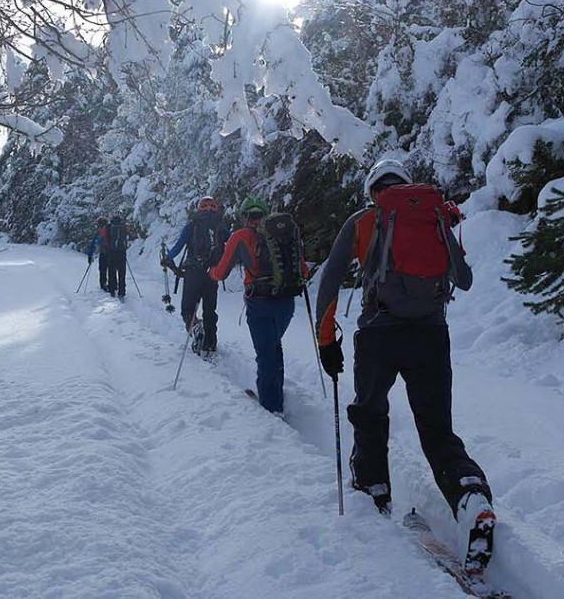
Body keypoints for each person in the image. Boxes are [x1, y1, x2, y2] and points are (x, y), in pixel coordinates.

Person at [313, 158, 495, 573]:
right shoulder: (433, 216)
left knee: (370, 414)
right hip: (431, 335)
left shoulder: (363, 221)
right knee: (436, 429)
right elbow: (463, 279)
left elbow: (329, 281)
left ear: (373, 189)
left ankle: (374, 489)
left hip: (377, 335)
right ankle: (470, 495)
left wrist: (327, 342)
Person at [208, 196, 308, 416]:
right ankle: (275, 395)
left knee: (266, 354)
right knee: (274, 347)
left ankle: (272, 408)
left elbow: (222, 272)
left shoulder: (240, 236)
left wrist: (211, 272)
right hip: (286, 303)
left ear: (244, 216)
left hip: (259, 303)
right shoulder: (286, 235)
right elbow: (304, 271)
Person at [161, 196, 230, 356]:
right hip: (213, 273)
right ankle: (210, 344)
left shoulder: (192, 226)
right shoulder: (220, 227)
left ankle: (196, 327)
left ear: (199, 209)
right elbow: (233, 243)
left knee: (187, 308)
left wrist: (168, 258)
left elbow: (179, 245)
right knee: (210, 309)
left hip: (193, 272)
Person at [105, 213, 129, 299]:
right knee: (122, 272)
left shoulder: (109, 227)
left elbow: (106, 239)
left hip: (112, 252)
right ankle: (122, 291)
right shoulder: (123, 227)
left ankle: (112, 289)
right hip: (122, 252)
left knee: (112, 271)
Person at [86, 216, 110, 292]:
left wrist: (90, 256)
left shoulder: (99, 231)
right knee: (111, 270)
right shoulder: (111, 229)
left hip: (103, 252)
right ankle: (112, 285)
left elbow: (93, 244)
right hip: (113, 253)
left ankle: (103, 285)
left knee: (103, 269)